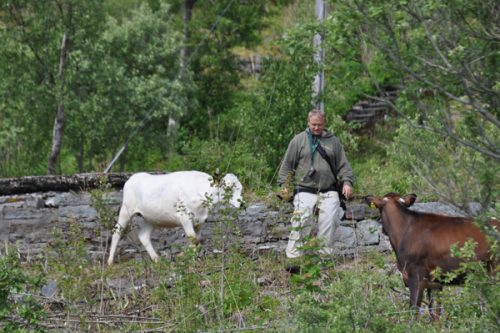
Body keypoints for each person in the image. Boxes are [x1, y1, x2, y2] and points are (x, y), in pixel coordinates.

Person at [278, 109, 354, 261]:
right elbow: (287, 166)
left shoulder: (333, 142)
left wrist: (347, 182)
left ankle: (324, 257)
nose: (316, 128)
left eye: (319, 125)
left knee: (330, 218)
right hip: (305, 188)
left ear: (324, 124)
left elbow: (344, 166)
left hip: (329, 189)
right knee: (302, 217)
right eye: (313, 124)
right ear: (308, 123)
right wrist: (284, 184)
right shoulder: (298, 140)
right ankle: (294, 257)